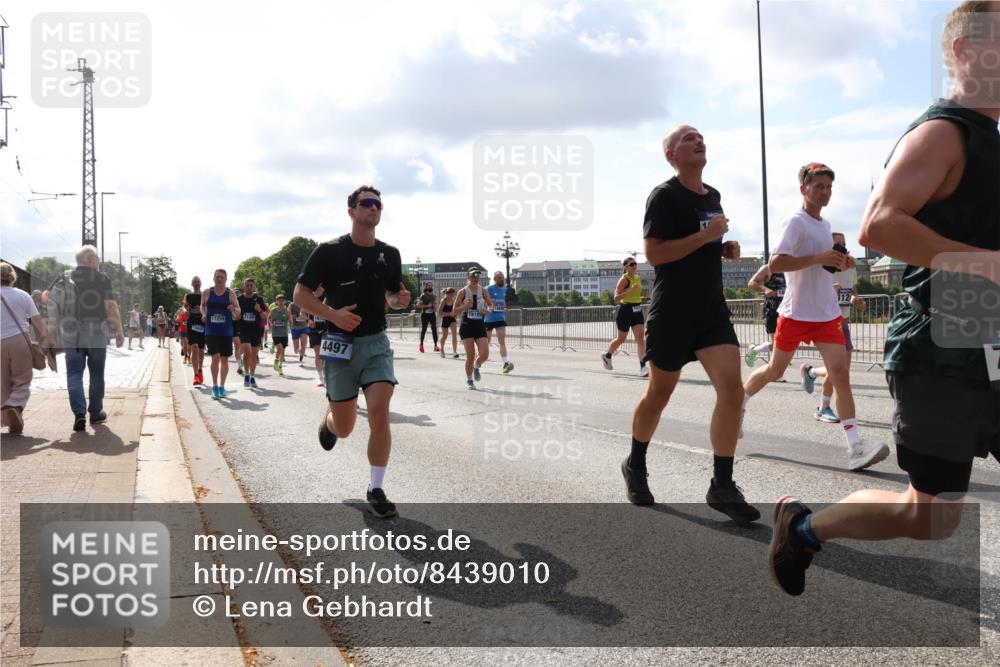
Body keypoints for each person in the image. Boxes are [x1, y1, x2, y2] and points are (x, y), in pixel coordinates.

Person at [769, 1, 1000, 597]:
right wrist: (990, 265)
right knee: (930, 516)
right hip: (940, 356)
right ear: (967, 52)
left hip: (990, 345)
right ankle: (805, 526)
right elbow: (880, 225)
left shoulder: (991, 139)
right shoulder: (944, 132)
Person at [621, 125, 758, 524]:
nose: (698, 141)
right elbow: (655, 255)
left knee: (732, 392)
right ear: (671, 156)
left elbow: (703, 243)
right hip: (673, 312)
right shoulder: (664, 196)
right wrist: (706, 237)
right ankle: (636, 464)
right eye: (687, 139)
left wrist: (723, 248)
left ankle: (722, 484)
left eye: (700, 136)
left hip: (711, 312)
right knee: (659, 395)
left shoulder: (712, 195)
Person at [742, 163, 889, 471]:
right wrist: (820, 257)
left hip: (825, 312)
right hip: (796, 312)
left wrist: (842, 260)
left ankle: (855, 448)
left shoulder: (825, 225)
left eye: (828, 187)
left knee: (841, 373)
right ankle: (737, 406)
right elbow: (776, 263)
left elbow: (824, 267)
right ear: (803, 189)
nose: (824, 192)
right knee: (773, 370)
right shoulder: (795, 222)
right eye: (818, 186)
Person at [294, 185, 411, 518]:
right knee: (346, 428)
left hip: (376, 343)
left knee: (379, 413)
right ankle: (330, 423)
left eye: (378, 204)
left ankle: (376, 488)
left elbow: (392, 296)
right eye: (367, 203)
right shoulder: (328, 252)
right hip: (339, 344)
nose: (374, 208)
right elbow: (300, 295)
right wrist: (333, 315)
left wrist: (399, 301)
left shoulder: (390, 254)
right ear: (351, 211)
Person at [52, 246, 125, 431]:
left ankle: (79, 414)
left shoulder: (65, 277)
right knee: (96, 373)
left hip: (71, 332)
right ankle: (95, 413)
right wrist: (119, 330)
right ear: (91, 259)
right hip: (96, 331)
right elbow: (110, 306)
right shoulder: (101, 279)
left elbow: (52, 304)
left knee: (74, 374)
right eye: (97, 258)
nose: (99, 261)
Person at [800, 232, 867, 422]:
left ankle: (812, 373)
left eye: (844, 244)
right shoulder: (821, 268)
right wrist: (829, 291)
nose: (842, 248)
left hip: (843, 320)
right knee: (839, 369)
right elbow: (810, 292)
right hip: (826, 321)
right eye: (837, 244)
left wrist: (857, 301)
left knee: (842, 368)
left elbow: (852, 292)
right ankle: (824, 407)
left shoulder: (851, 266)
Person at [1, 263, 51, 435]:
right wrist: (46, 336)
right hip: (19, 341)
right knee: (22, 379)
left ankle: (10, 419)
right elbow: (36, 319)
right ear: (12, 277)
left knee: (3, 382)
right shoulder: (22, 295)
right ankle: (14, 405)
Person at [601, 257, 647, 376]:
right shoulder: (624, 279)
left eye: (635, 264)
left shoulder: (637, 278)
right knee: (621, 339)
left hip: (637, 310)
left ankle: (643, 367)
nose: (634, 266)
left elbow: (636, 295)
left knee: (640, 339)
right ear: (626, 267)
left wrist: (643, 297)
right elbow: (616, 298)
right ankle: (607, 355)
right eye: (632, 264)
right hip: (625, 311)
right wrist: (630, 291)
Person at [202, 268, 241, 399]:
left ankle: (222, 386)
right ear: (213, 278)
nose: (219, 279)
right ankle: (214, 386)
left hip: (226, 331)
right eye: (217, 277)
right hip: (211, 330)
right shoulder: (207, 292)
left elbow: (238, 310)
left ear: (225, 279)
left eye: (222, 277)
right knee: (215, 357)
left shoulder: (230, 293)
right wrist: (203, 313)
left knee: (224, 360)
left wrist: (233, 308)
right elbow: (202, 305)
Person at [454, 269, 494, 389]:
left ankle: (477, 366)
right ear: (468, 277)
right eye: (473, 276)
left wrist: (489, 310)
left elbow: (491, 304)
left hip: (479, 325)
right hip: (467, 325)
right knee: (470, 355)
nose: (476, 278)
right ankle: (469, 380)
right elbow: (454, 311)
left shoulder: (484, 291)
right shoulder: (462, 292)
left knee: (485, 354)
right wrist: (465, 306)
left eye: (477, 276)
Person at [745, 264, 786, 370]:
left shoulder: (794, 269)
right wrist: (765, 289)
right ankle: (775, 371)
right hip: (773, 311)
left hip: (789, 312)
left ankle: (754, 350)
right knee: (778, 344)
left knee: (782, 344)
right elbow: (751, 283)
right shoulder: (768, 268)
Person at [237, 278, 268, 388]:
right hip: (243, 330)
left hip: (256, 331)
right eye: (247, 285)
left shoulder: (259, 299)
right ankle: (246, 374)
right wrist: (237, 315)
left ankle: (252, 376)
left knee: (254, 355)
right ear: (244, 286)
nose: (249, 287)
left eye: (251, 285)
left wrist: (259, 310)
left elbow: (265, 317)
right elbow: (235, 316)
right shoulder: (239, 299)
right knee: (248, 352)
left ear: (254, 287)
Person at [485, 271, 514, 374]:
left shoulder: (504, 289)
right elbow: (482, 301)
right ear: (495, 279)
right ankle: (478, 362)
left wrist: (505, 308)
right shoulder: (488, 289)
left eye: (503, 277)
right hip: (488, 319)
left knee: (502, 341)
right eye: (500, 278)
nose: (502, 279)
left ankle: (505, 363)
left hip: (500, 318)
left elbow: (502, 301)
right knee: (485, 343)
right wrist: (489, 305)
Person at [185, 277, 206, 385]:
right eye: (194, 281)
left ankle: (200, 370)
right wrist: (187, 311)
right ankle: (195, 375)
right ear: (192, 284)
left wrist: (203, 312)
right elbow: (185, 308)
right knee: (194, 347)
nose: (196, 283)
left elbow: (208, 308)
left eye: (198, 281)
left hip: (202, 323)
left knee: (201, 349)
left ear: (201, 283)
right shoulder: (188, 296)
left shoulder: (205, 295)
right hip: (192, 323)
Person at [307, 289, 327, 385]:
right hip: (314, 330)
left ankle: (325, 373)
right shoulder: (309, 296)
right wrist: (308, 320)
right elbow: (302, 313)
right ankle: (320, 377)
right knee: (318, 355)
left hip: (326, 330)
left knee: (326, 356)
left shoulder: (327, 295)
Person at [415, 282, 440, 354]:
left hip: (432, 314)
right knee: (424, 329)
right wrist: (427, 306)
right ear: (426, 287)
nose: (430, 287)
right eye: (429, 286)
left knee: (434, 329)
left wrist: (435, 307)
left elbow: (435, 306)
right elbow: (418, 305)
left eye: (431, 286)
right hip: (425, 314)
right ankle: (421, 344)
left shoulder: (434, 296)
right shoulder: (423, 295)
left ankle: (435, 345)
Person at [269, 294, 290, 375]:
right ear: (276, 302)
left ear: (284, 302)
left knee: (283, 352)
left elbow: (290, 319)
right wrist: (271, 324)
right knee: (280, 349)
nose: (281, 302)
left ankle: (280, 367)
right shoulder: (273, 310)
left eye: (282, 301)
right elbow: (269, 318)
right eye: (279, 301)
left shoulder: (287, 311)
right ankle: (276, 362)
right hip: (276, 333)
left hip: (284, 333)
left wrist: (291, 322)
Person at [438, 287, 459, 358]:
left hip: (452, 319)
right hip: (445, 319)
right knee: (445, 335)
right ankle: (442, 349)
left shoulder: (453, 300)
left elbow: (455, 310)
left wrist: (455, 314)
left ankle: (454, 352)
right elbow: (439, 313)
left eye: (453, 295)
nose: (452, 296)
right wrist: (449, 313)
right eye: (451, 295)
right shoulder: (443, 300)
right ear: (447, 294)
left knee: (454, 334)